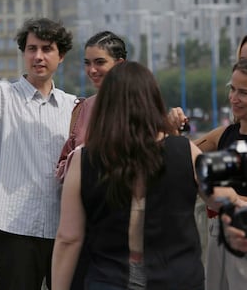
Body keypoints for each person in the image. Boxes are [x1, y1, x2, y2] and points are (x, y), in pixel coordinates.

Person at [51, 61, 241, 290]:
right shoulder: (184, 151)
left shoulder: (84, 159)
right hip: (176, 278)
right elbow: (225, 199)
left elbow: (68, 238)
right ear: (153, 102)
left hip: (109, 278)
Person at [0, 0, 76, 290]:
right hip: (14, 229)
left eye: (47, 49)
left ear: (60, 56)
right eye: (32, 49)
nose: (38, 56)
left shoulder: (75, 107)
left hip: (63, 228)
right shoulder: (4, 98)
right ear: (23, 53)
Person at [194, 58, 247, 290]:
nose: (233, 98)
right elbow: (184, 154)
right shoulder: (226, 134)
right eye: (232, 89)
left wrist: (229, 200)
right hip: (218, 236)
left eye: (243, 92)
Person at [56, 31, 127, 182]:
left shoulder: (138, 105)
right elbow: (62, 167)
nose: (92, 70)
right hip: (86, 201)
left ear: (119, 64)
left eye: (100, 62)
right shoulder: (84, 107)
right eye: (87, 63)